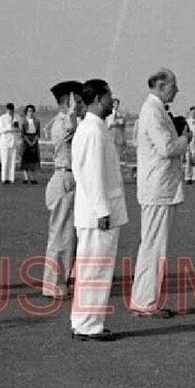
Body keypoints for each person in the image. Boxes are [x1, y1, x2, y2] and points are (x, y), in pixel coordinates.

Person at [71, 79, 127, 341]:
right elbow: (92, 175)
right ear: (98, 99)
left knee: (91, 269)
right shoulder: (93, 131)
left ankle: (84, 320)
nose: (111, 101)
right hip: (97, 213)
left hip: (95, 211)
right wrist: (102, 210)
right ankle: (88, 324)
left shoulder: (94, 128)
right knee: (95, 269)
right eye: (109, 97)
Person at [132, 68, 190, 316]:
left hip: (159, 187)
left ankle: (145, 298)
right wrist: (185, 138)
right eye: (173, 86)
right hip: (157, 188)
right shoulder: (152, 111)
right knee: (153, 246)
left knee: (154, 245)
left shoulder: (156, 110)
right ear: (161, 86)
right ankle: (145, 301)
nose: (177, 90)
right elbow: (167, 147)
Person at [42, 81, 83, 299]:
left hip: (70, 178)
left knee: (69, 235)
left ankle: (62, 280)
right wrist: (73, 112)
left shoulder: (68, 121)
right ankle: (53, 282)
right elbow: (70, 128)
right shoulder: (62, 123)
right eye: (76, 100)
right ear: (68, 102)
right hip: (64, 177)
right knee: (60, 234)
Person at [0, 103, 21, 184]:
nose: (11, 111)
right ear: (7, 109)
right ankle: (4, 178)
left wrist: (16, 127)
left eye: (12, 109)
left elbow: (19, 128)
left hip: (14, 141)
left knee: (12, 160)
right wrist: (10, 126)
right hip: (5, 141)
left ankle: (11, 178)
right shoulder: (2, 118)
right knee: (5, 160)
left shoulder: (17, 117)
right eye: (9, 109)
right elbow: (1, 130)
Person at [20, 104, 41, 185]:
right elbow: (23, 133)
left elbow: (38, 133)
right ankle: (25, 177)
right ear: (26, 112)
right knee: (25, 159)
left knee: (33, 160)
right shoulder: (23, 121)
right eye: (29, 111)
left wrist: (34, 141)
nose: (30, 113)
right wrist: (28, 141)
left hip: (34, 140)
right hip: (26, 141)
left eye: (32, 111)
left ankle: (32, 178)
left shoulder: (37, 121)